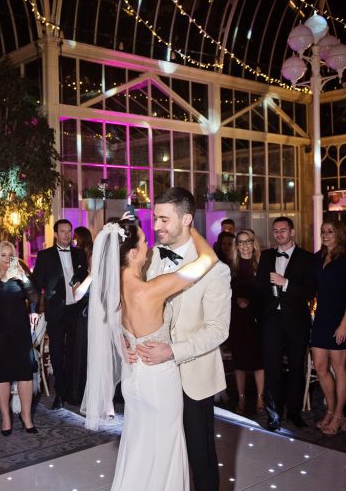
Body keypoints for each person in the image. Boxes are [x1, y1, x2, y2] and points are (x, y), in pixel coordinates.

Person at [82, 208, 220, 491]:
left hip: (133, 380)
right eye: (144, 243)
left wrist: (125, 344)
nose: (148, 247)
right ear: (132, 254)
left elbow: (112, 328)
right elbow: (209, 259)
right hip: (158, 380)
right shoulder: (152, 289)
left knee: (138, 450)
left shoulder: (112, 289)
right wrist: (189, 226)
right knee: (166, 451)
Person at [137, 187, 230, 491]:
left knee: (199, 456)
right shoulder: (148, 259)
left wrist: (172, 352)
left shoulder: (215, 270)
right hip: (154, 375)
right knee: (159, 450)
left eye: (164, 219)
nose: (157, 226)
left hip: (194, 376)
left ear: (187, 218)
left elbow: (218, 330)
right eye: (155, 218)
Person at [255, 216, 316, 431]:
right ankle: (273, 414)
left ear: (292, 232)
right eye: (275, 231)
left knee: (296, 367)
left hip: (296, 321)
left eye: (283, 230)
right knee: (272, 367)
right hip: (272, 319)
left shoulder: (307, 258)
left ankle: (295, 412)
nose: (279, 234)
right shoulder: (266, 255)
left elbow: (310, 291)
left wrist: (286, 283)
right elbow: (260, 287)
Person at [0, 242, 40, 435]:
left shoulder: (20, 274)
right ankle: (6, 418)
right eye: (3, 255)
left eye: (10, 255)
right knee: (3, 374)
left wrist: (24, 279)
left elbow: (34, 298)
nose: (7, 259)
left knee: (25, 373)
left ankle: (26, 416)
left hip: (20, 329)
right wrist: (4, 279)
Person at [32, 219, 89, 409]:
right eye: (62, 231)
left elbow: (84, 277)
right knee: (57, 352)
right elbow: (37, 284)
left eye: (68, 231)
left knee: (75, 351)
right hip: (56, 311)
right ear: (56, 234)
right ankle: (60, 392)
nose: (66, 234)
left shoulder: (79, 254)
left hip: (77, 310)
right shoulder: (45, 255)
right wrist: (34, 310)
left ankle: (74, 393)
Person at [310, 221, 346, 435]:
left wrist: (344, 325)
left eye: (330, 231)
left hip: (340, 319)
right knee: (320, 367)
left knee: (339, 368)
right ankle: (330, 409)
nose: (325, 235)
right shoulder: (318, 257)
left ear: (339, 234)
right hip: (321, 319)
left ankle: (339, 415)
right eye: (323, 231)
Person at [228, 229, 264, 416]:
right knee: (240, 361)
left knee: (259, 360)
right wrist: (236, 300)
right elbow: (224, 293)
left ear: (253, 242)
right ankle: (241, 398)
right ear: (237, 245)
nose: (244, 245)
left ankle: (260, 397)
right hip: (238, 319)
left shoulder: (263, 263)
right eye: (240, 242)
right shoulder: (230, 266)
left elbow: (268, 291)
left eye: (248, 241)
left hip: (258, 318)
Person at [69, 225, 93, 405]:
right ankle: (79, 393)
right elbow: (75, 295)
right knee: (81, 355)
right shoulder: (79, 273)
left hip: (100, 319)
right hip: (83, 317)